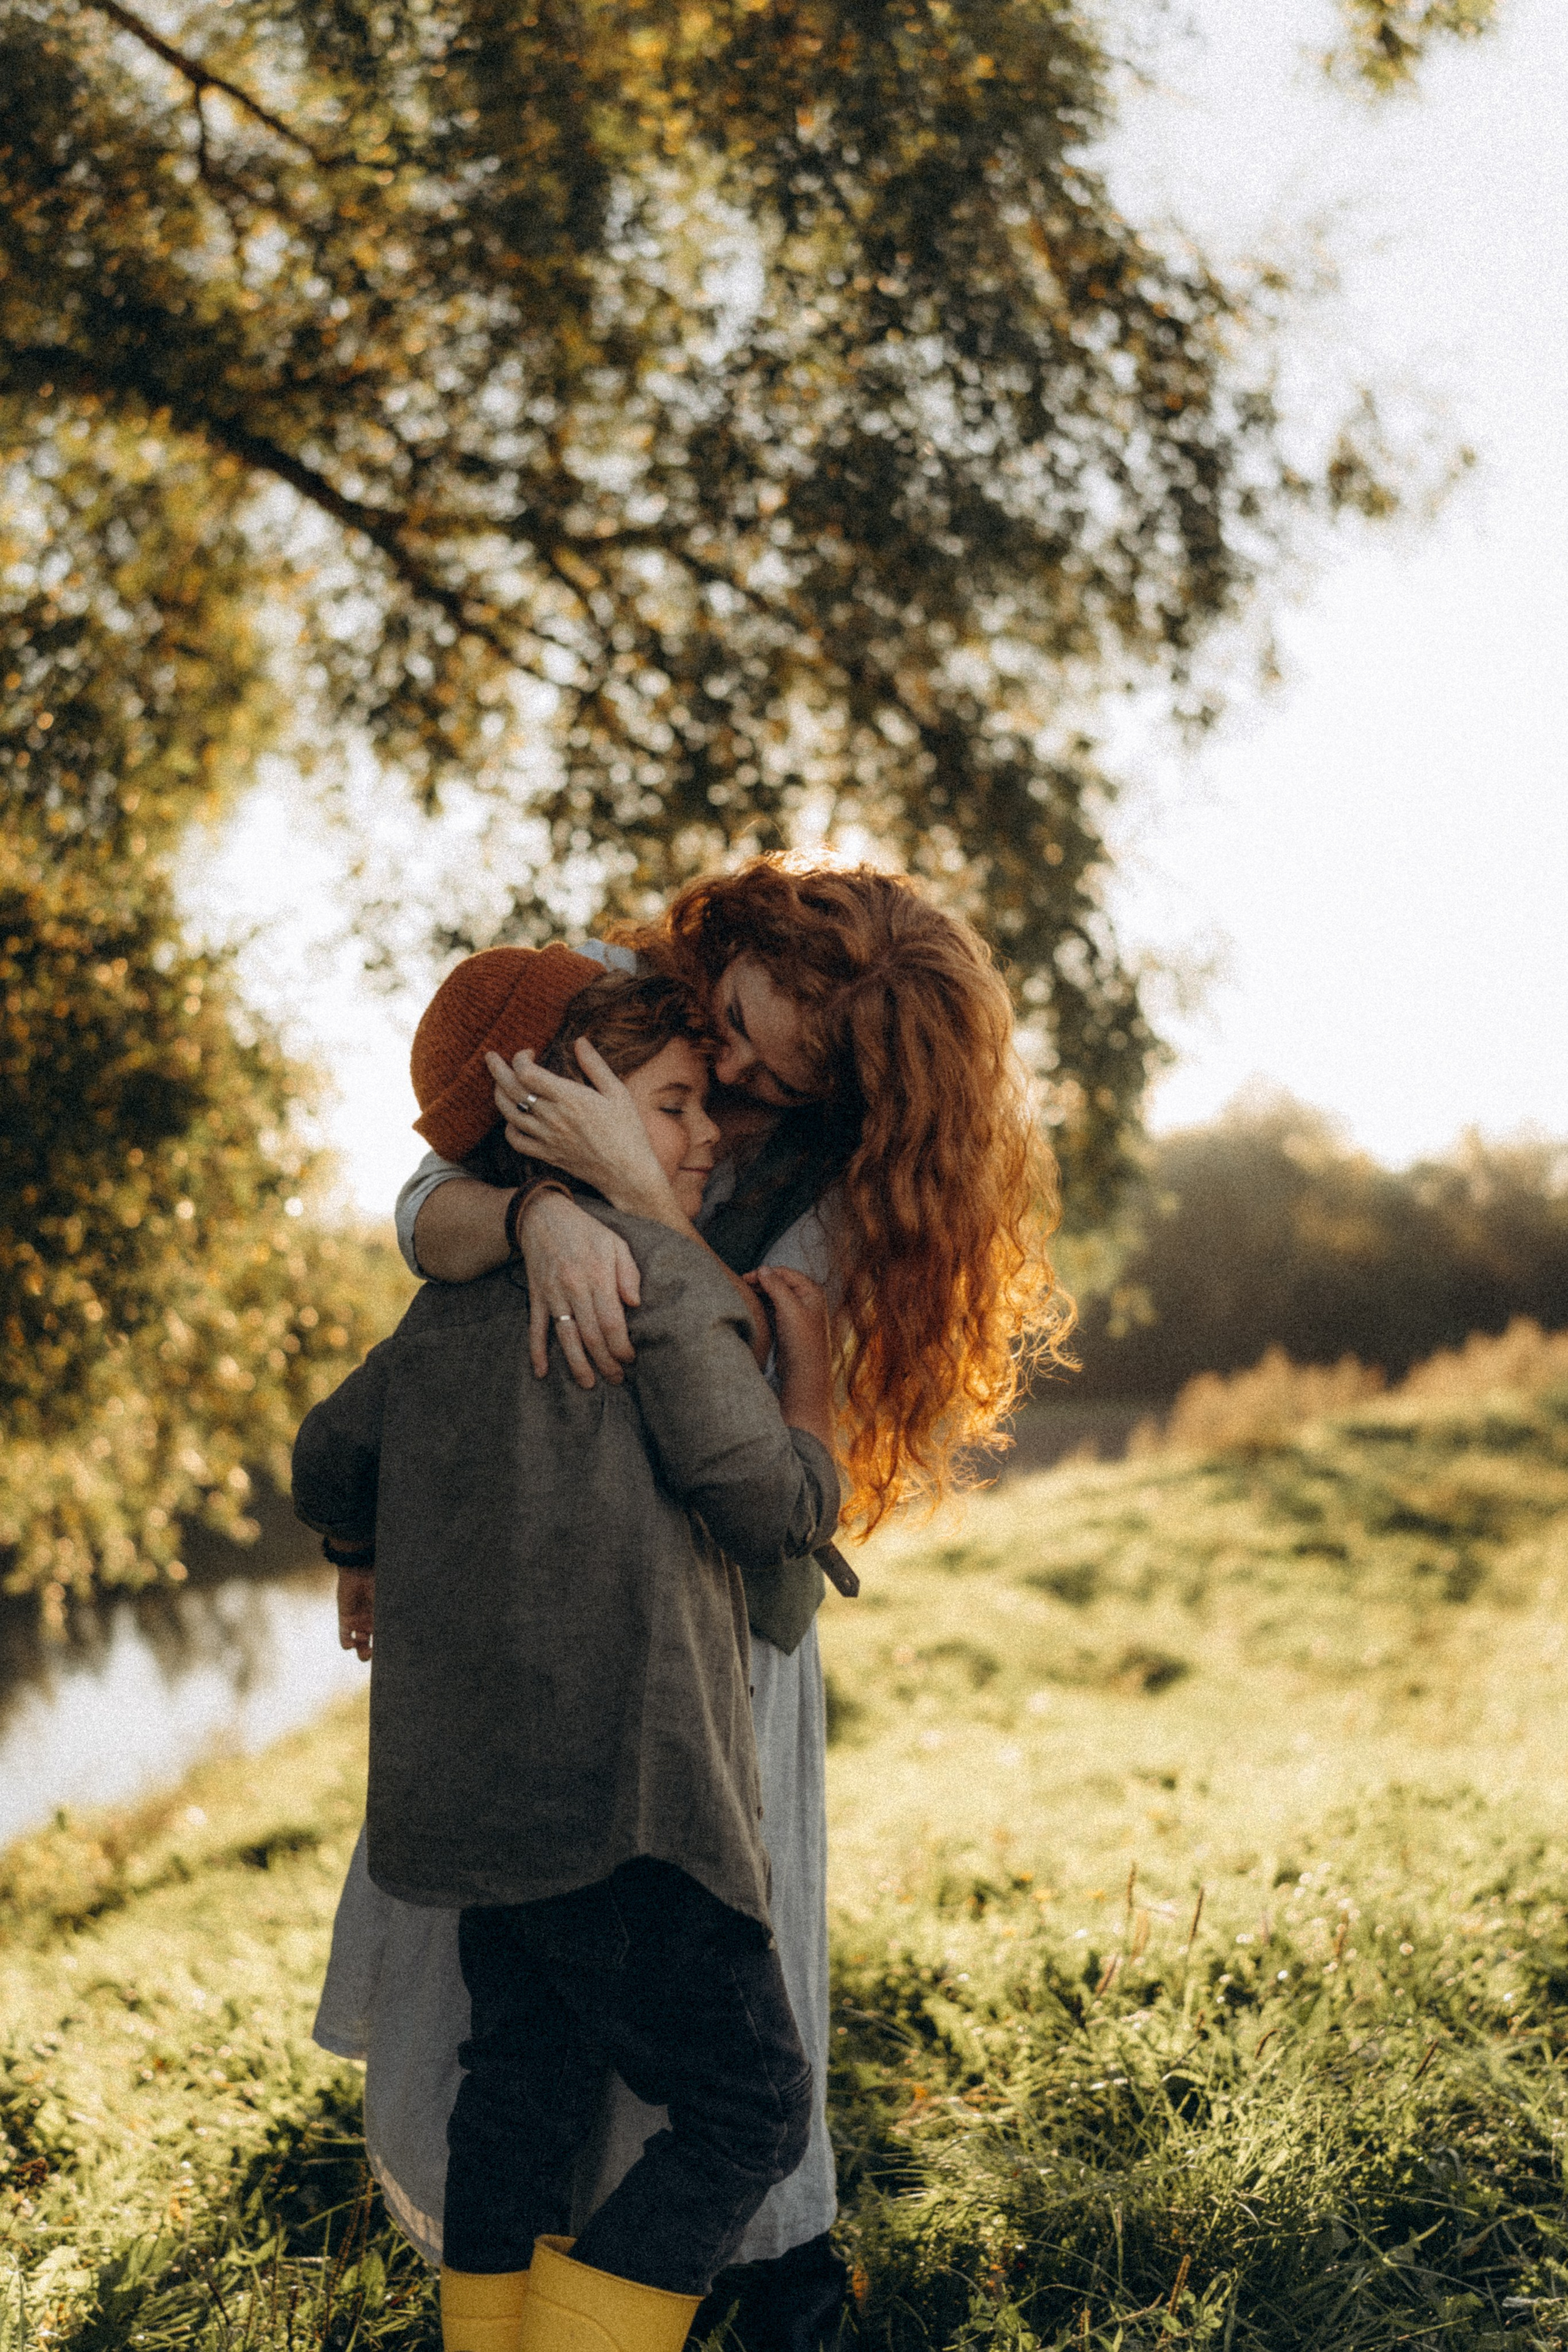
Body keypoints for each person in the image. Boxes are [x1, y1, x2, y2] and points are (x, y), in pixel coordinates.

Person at [319, 858, 1073, 2352]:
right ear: (742, 948)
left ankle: (731, 2288)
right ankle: (539, 2315)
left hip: (710, 1629)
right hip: (533, 1596)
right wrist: (541, 1219)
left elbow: (775, 1454)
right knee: (530, 2032)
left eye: (774, 1076)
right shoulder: (619, 1006)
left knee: (686, 2003)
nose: (728, 1075)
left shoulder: (857, 1176)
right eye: (731, 1026)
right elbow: (425, 1198)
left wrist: (616, 1196)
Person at [295, 954, 842, 2352]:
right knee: (747, 2108)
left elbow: (326, 1451)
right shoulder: (665, 1283)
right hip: (629, 1804)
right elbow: (768, 1505)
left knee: (522, 2086)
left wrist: (361, 1545)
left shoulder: (438, 1312)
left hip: (474, 1809)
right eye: (675, 1105)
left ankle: (485, 2338)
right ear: (550, 1118)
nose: (709, 1131)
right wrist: (815, 1393)